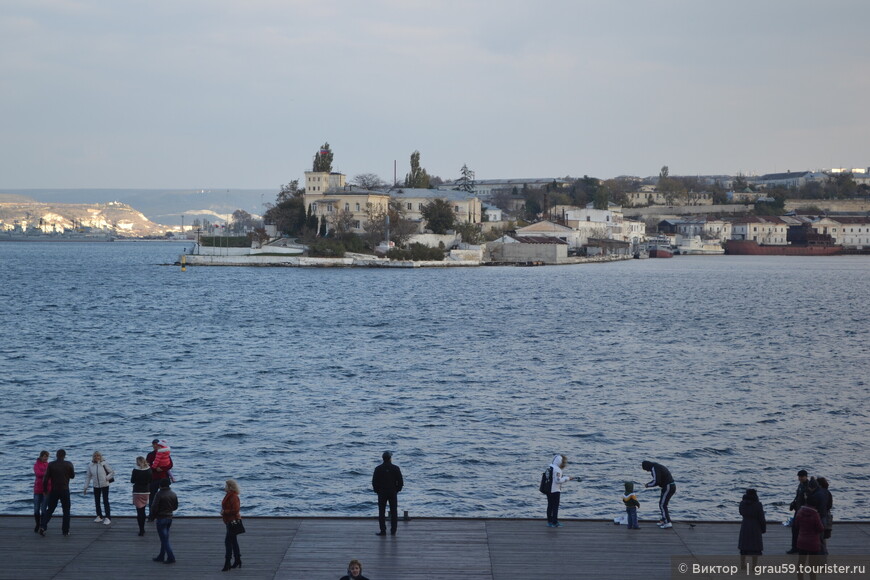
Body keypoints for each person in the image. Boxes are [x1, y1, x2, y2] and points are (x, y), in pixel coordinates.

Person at [39, 448, 75, 536]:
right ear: (64, 455)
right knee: (66, 511)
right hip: (65, 489)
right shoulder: (68, 464)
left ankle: (43, 526)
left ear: (56, 455)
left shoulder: (51, 465)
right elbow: (72, 476)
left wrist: (45, 490)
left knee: (50, 509)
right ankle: (65, 531)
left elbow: (45, 479)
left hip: (54, 490)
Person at [372, 451, 403, 536]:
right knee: (394, 511)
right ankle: (393, 531)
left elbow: (374, 482)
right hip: (392, 492)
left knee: (381, 512)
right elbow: (400, 482)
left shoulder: (378, 468)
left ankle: (383, 531)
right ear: (390, 459)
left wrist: (377, 491)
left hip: (382, 492)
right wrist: (397, 490)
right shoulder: (396, 468)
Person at [794, 495, 824, 580]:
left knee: (801, 562)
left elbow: (796, 525)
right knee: (812, 564)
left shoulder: (800, 511)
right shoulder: (815, 514)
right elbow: (820, 529)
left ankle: (800, 578)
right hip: (813, 543)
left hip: (802, 541)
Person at [83, 450, 115, 525]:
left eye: (98, 456)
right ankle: (99, 516)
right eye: (95, 456)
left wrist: (107, 478)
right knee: (97, 501)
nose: (96, 457)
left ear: (100, 457)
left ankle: (108, 517)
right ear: (93, 457)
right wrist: (85, 487)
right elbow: (88, 476)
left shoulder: (104, 463)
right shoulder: (90, 465)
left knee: (105, 501)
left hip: (104, 484)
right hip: (96, 485)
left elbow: (112, 472)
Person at [642, 460, 676, 529]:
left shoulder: (654, 468)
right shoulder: (657, 466)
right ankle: (664, 520)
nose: (647, 471)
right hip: (669, 486)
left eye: (646, 469)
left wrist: (648, 485)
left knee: (662, 505)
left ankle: (667, 522)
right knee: (662, 504)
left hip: (668, 486)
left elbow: (656, 481)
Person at [151, 479, 178, 564]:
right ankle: (161, 556)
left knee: (164, 540)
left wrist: (153, 515)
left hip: (161, 518)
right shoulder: (173, 494)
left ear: (161, 485)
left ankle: (171, 557)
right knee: (165, 538)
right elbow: (175, 507)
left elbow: (154, 507)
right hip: (169, 518)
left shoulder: (159, 494)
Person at [738, 488, 766, 569]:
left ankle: (742, 564)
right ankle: (754, 566)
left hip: (745, 525)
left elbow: (741, 512)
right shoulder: (758, 504)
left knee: (743, 547)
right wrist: (763, 528)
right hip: (755, 526)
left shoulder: (742, 504)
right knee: (755, 547)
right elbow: (761, 518)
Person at [146, 439, 173, 521]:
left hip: (163, 478)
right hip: (153, 478)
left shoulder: (165, 454)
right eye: (153, 445)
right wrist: (155, 469)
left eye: (156, 444)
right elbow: (147, 465)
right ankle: (151, 515)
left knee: (165, 497)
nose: (155, 446)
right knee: (152, 498)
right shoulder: (150, 455)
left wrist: (161, 468)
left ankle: (165, 515)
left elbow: (170, 464)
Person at [546, 454, 574, 527]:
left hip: (548, 490)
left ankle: (549, 521)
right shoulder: (557, 470)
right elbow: (558, 480)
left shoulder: (550, 467)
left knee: (550, 506)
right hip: (555, 490)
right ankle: (555, 522)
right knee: (555, 506)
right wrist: (567, 478)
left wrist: (564, 477)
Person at [221, 479, 243, 571]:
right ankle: (237, 560)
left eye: (226, 485)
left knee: (228, 542)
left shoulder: (233, 496)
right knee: (233, 541)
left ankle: (227, 562)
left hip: (233, 521)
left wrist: (224, 512)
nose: (224, 487)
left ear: (229, 487)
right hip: (229, 521)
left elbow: (236, 510)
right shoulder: (229, 495)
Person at [787, 469, 810, 554]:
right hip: (798, 510)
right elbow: (797, 496)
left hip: (804, 511)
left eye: (801, 477)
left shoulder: (808, 486)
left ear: (806, 477)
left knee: (802, 530)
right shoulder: (800, 485)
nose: (800, 478)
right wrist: (794, 503)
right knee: (795, 529)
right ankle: (795, 547)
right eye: (799, 477)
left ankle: (801, 547)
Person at [131, 456, 152, 536]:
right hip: (146, 491)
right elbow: (150, 480)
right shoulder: (149, 470)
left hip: (137, 491)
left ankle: (141, 529)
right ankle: (143, 528)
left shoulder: (135, 470)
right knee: (143, 509)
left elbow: (132, 480)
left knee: (139, 511)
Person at [32, 450, 51, 533]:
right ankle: (37, 524)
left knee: (44, 509)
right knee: (36, 508)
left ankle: (42, 525)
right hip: (38, 489)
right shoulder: (36, 465)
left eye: (47, 456)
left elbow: (50, 475)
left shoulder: (49, 465)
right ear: (41, 457)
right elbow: (38, 474)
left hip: (46, 489)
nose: (46, 458)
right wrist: (46, 473)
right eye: (44, 456)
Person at [816, 477, 833, 554]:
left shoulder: (818, 493)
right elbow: (830, 505)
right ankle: (824, 551)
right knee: (823, 535)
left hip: (820, 515)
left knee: (819, 535)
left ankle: (822, 551)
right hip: (826, 515)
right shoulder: (828, 493)